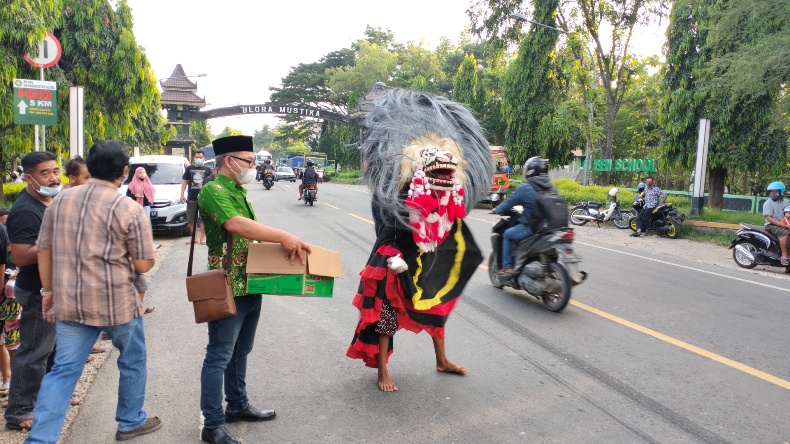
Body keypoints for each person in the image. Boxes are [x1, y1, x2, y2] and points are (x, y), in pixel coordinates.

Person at [345, 89, 490, 392]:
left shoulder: (445, 191)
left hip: (427, 255)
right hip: (394, 256)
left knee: (438, 304)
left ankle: (442, 359)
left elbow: (452, 214)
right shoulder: (393, 193)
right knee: (387, 314)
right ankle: (382, 371)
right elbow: (389, 225)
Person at [24, 140, 161, 443]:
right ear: (124, 172)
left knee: (63, 371)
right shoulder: (128, 208)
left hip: (70, 303)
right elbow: (143, 262)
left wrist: (48, 293)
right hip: (119, 304)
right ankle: (129, 421)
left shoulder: (61, 200)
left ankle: (40, 439)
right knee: (132, 359)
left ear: (90, 166)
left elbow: (44, 250)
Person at [197, 135, 310, 444]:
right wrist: (283, 236)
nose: (254, 166)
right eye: (248, 161)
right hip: (226, 285)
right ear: (229, 161)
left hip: (249, 282)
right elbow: (237, 226)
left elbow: (249, 236)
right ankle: (212, 424)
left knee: (240, 351)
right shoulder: (213, 190)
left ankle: (237, 405)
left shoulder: (236, 190)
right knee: (219, 355)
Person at [4, 151, 62, 431]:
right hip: (36, 290)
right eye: (45, 173)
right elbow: (21, 256)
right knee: (33, 352)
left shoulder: (47, 200)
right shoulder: (26, 210)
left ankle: (44, 399)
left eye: (55, 171)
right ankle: (19, 410)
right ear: (28, 178)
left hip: (51, 286)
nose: (53, 177)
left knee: (49, 349)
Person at [493, 156, 555, 274]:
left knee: (507, 234)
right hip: (550, 229)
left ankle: (507, 267)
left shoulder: (526, 187)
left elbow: (509, 202)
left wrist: (497, 209)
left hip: (531, 229)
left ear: (530, 171)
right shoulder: (552, 187)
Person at [180, 150, 212, 245]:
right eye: (196, 157)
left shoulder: (208, 169)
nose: (198, 159)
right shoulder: (189, 168)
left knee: (203, 218)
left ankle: (202, 238)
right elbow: (184, 181)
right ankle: (194, 238)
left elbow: (212, 184)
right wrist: (182, 195)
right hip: (191, 198)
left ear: (204, 158)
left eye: (200, 157)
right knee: (191, 219)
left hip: (204, 198)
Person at [763, 181, 790, 265]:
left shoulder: (786, 202)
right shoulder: (768, 203)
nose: (773, 193)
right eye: (771, 192)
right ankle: (784, 255)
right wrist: (780, 224)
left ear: (781, 192)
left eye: (775, 192)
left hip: (784, 224)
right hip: (771, 225)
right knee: (785, 232)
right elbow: (768, 218)